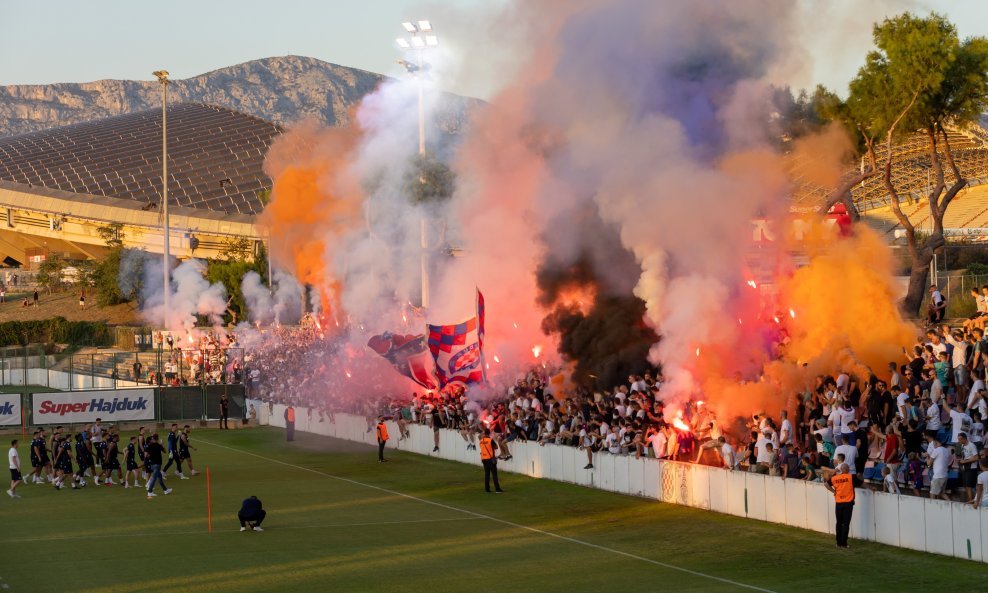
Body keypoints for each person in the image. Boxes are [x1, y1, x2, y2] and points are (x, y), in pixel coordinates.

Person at [825, 463, 855, 550]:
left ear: (842, 470)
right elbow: (861, 482)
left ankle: (838, 543)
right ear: (848, 469)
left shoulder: (835, 478)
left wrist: (834, 491)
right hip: (848, 502)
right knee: (846, 523)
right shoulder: (851, 477)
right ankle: (844, 544)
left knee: (839, 523)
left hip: (839, 503)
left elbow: (826, 484)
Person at [144, 433, 172, 499]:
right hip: (158, 464)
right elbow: (165, 451)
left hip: (152, 464)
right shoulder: (159, 445)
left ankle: (165, 490)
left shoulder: (149, 446)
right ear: (158, 438)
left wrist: (151, 456)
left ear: (153, 438)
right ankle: (150, 492)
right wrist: (162, 444)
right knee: (154, 478)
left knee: (160, 477)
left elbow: (146, 455)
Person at [478, 429, 503, 493]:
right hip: (490, 458)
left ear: (484, 434)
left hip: (484, 458)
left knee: (487, 474)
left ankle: (487, 489)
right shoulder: (490, 440)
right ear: (489, 433)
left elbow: (481, 448)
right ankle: (497, 489)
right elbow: (496, 447)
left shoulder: (481, 441)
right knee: (494, 474)